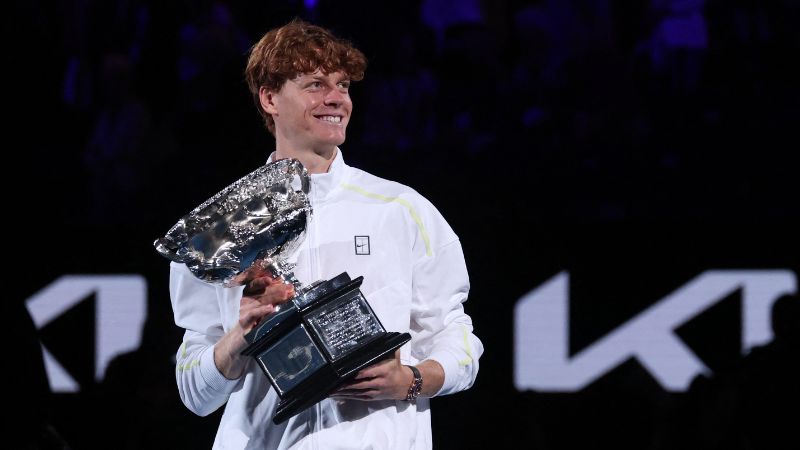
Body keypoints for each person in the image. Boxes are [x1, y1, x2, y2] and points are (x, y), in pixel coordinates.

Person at [168, 19, 482, 449]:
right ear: (270, 98)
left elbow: (455, 338)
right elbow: (195, 394)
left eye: (344, 85)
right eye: (316, 84)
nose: (337, 98)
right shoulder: (218, 229)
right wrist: (240, 338)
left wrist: (409, 381)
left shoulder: (401, 209)